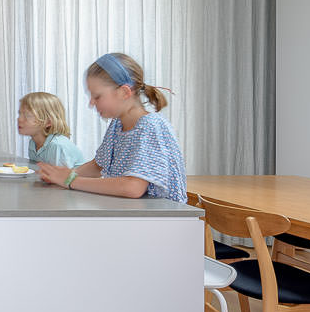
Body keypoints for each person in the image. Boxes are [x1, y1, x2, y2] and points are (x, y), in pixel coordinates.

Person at [37, 52, 186, 202]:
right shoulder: (117, 124)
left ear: (124, 92)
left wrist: (70, 181)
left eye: (97, 97)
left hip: (163, 220)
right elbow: (97, 166)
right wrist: (63, 175)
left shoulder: (151, 127)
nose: (91, 103)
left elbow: (132, 187)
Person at [17, 91, 85, 168]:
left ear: (48, 122)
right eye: (20, 113)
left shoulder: (57, 146)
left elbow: (61, 179)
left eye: (27, 115)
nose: (19, 119)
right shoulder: (33, 143)